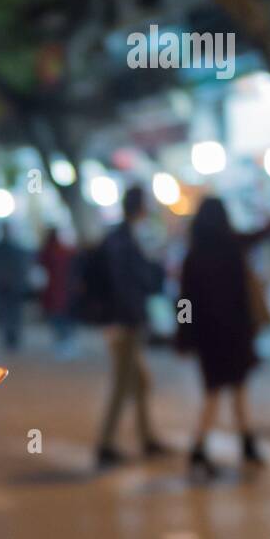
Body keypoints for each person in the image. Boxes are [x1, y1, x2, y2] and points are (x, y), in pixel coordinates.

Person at [177, 197, 270, 476]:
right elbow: (243, 294)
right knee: (239, 391)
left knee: (214, 394)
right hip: (235, 335)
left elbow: (184, 302)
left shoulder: (193, 256)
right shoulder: (233, 249)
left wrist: (185, 336)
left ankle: (207, 448)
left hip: (209, 339)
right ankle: (240, 447)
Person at [96, 186, 168, 467]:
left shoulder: (120, 238)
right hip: (125, 323)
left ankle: (146, 437)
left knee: (139, 382)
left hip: (123, 321)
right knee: (124, 382)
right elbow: (134, 282)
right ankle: (106, 444)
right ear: (141, 208)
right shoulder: (125, 242)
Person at [0, 225, 29, 352]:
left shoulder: (8, 250)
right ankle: (10, 336)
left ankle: (11, 336)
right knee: (9, 313)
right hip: (6, 286)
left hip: (7, 287)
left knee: (9, 313)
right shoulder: (13, 250)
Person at [38, 228, 76, 354]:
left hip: (53, 290)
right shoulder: (64, 251)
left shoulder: (47, 251)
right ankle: (65, 341)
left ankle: (61, 341)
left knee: (57, 317)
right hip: (64, 289)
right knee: (64, 317)